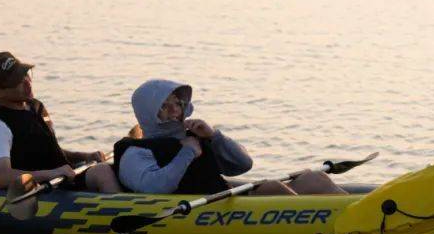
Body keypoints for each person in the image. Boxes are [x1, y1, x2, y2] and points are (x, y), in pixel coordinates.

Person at [112, 79, 346, 195]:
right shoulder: (136, 152)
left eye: (177, 103)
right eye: (165, 106)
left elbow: (243, 165)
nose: (175, 110)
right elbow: (156, 188)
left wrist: (214, 137)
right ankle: (325, 228)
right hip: (198, 212)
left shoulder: (196, 134)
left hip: (223, 198)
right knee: (273, 188)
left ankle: (363, 217)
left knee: (314, 179)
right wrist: (188, 152)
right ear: (150, 113)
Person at [0, 52, 120, 193]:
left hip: (61, 178)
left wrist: (84, 156)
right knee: (102, 172)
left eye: (25, 74)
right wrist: (52, 174)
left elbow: (48, 151)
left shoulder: (35, 107)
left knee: (118, 165)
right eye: (16, 81)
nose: (27, 82)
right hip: (40, 189)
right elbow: (2, 177)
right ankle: (124, 216)